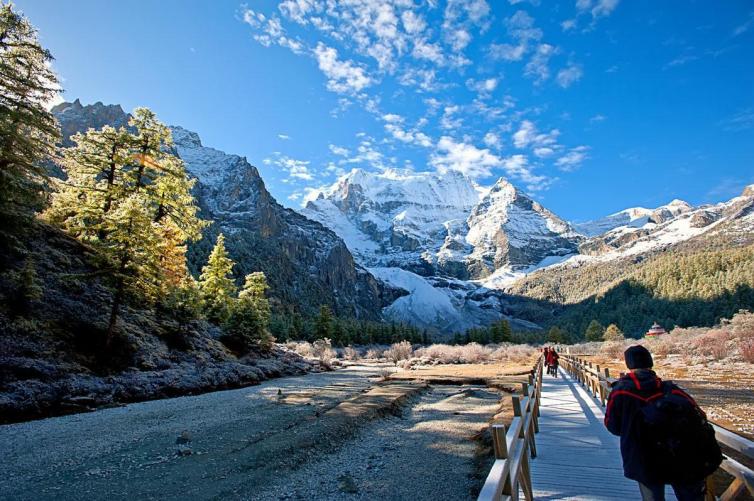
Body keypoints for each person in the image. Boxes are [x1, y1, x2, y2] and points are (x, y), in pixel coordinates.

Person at [604, 345, 722, 501]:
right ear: (650, 363)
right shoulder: (671, 389)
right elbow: (700, 416)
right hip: (681, 455)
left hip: (643, 458)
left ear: (629, 364)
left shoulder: (621, 391)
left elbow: (612, 425)